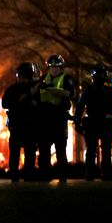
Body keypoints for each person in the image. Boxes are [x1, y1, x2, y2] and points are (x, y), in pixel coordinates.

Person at [35, 54, 76, 183]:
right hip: (44, 118)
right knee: (44, 148)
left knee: (60, 148)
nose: (54, 69)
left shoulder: (66, 79)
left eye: (57, 67)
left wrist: (51, 89)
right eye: (52, 67)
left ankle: (62, 176)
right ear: (48, 67)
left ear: (61, 67)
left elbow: (69, 93)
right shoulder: (42, 79)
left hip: (59, 117)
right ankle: (44, 175)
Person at [75, 67, 112, 181]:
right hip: (99, 123)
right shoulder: (107, 91)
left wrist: (77, 121)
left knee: (94, 150)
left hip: (98, 123)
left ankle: (92, 173)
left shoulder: (89, 90)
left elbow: (80, 106)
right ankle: (104, 173)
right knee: (101, 149)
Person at [2, 62, 40, 182]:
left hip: (31, 126)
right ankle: (14, 174)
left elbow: (42, 105)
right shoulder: (12, 89)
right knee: (14, 152)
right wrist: (23, 99)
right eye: (20, 76)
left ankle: (29, 174)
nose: (21, 79)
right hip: (17, 125)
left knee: (30, 153)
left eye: (24, 76)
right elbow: (5, 104)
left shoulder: (37, 89)